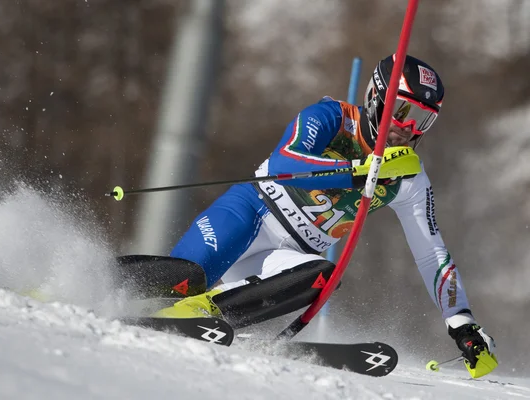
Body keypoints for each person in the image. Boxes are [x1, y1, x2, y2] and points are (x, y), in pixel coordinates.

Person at [153, 54, 497, 374]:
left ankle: (209, 312)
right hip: (249, 214)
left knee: (323, 276)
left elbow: (431, 253)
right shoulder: (332, 117)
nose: (408, 128)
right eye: (403, 111)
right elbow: (287, 161)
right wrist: (359, 169)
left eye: (423, 120)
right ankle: (141, 298)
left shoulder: (408, 176)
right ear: (378, 98)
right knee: (178, 284)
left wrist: (461, 321)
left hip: (285, 257)